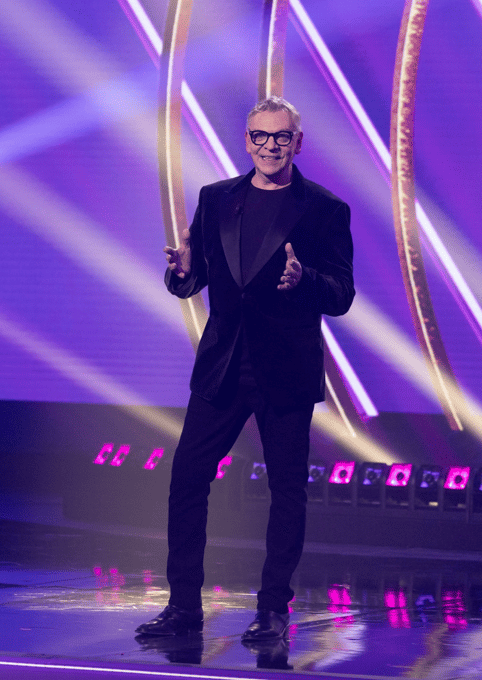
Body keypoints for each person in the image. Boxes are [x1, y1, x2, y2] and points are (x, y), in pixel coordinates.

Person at [136, 96, 355, 641]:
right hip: (223, 366)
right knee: (187, 478)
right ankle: (184, 605)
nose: (270, 146)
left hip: (285, 370)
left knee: (286, 491)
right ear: (247, 140)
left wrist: (303, 280)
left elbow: (342, 295)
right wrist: (183, 274)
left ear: (297, 143)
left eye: (281, 137)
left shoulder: (325, 209)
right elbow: (196, 278)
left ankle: (274, 611)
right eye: (260, 136)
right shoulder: (216, 200)